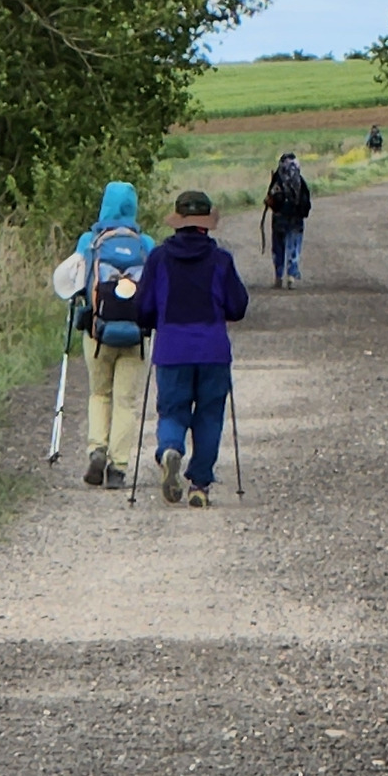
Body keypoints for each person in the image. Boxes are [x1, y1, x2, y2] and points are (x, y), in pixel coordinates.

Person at [133, 189, 249, 508]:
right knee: (209, 416)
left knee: (172, 410)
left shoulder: (158, 258)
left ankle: (170, 449)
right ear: (206, 223)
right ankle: (199, 485)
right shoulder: (221, 260)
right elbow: (238, 307)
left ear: (178, 221)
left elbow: (142, 309)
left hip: (172, 349)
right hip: (213, 350)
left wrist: (154, 320)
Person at [54, 182, 155, 490]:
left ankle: (97, 448)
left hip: (98, 333)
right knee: (125, 401)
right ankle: (118, 468)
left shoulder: (90, 241)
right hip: (136, 335)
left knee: (99, 394)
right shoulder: (145, 244)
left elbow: (71, 284)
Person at [263, 149, 311, 287]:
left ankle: (278, 277)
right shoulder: (300, 181)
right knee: (294, 247)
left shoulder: (277, 179)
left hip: (279, 219)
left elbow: (270, 198)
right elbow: (306, 202)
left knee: (278, 247)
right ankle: (291, 276)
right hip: (296, 219)